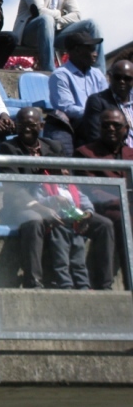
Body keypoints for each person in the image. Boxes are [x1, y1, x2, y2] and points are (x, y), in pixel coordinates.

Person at [0, 108, 110, 290]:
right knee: (34, 221)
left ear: (41, 126)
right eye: (22, 125)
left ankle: (105, 285)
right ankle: (34, 283)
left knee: (104, 224)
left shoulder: (54, 147)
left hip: (60, 201)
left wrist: (84, 212)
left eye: (31, 125)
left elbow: (67, 180)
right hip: (25, 205)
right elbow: (13, 188)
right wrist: (42, 208)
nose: (26, 129)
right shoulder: (8, 148)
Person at [12, 0, 104, 72]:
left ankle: (99, 72)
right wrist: (59, 14)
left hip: (55, 34)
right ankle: (49, 70)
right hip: (30, 34)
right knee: (46, 20)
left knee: (92, 24)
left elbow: (76, 15)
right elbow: (40, 12)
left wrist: (58, 22)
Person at [74, 108, 133, 291]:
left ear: (126, 129)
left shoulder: (131, 154)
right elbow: (91, 190)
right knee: (123, 220)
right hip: (101, 209)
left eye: (116, 125)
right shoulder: (85, 153)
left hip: (128, 207)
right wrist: (124, 201)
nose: (111, 129)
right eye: (105, 125)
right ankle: (111, 285)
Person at [44, 31, 108, 156]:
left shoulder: (97, 74)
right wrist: (93, 113)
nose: (95, 54)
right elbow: (66, 107)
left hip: (100, 121)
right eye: (91, 49)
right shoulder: (60, 75)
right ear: (77, 50)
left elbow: (107, 101)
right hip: (75, 124)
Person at [82, 60, 133, 147]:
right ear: (110, 77)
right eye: (117, 77)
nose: (122, 81)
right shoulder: (97, 101)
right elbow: (95, 136)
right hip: (118, 156)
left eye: (127, 78)